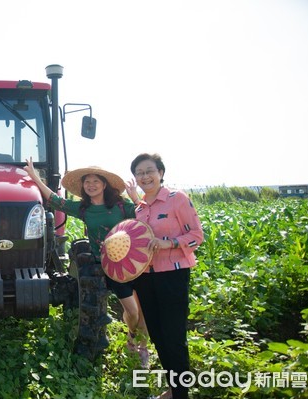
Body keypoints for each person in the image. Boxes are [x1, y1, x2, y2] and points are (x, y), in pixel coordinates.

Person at [23, 157, 150, 367]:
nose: (91, 185)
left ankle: (139, 347)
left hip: (135, 264)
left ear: (104, 184)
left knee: (143, 310)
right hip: (111, 268)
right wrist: (35, 176)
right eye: (87, 182)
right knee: (133, 311)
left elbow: (145, 216)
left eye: (95, 181)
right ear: (82, 186)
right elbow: (55, 200)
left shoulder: (121, 206)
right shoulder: (83, 209)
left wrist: (136, 198)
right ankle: (132, 338)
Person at [125, 153, 204, 399]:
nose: (145, 176)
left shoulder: (177, 199)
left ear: (160, 173)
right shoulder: (138, 208)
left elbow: (197, 236)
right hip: (146, 278)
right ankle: (173, 390)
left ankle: (181, 394)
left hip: (172, 275)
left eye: (150, 171)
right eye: (140, 172)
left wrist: (167, 243)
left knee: (174, 337)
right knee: (158, 336)